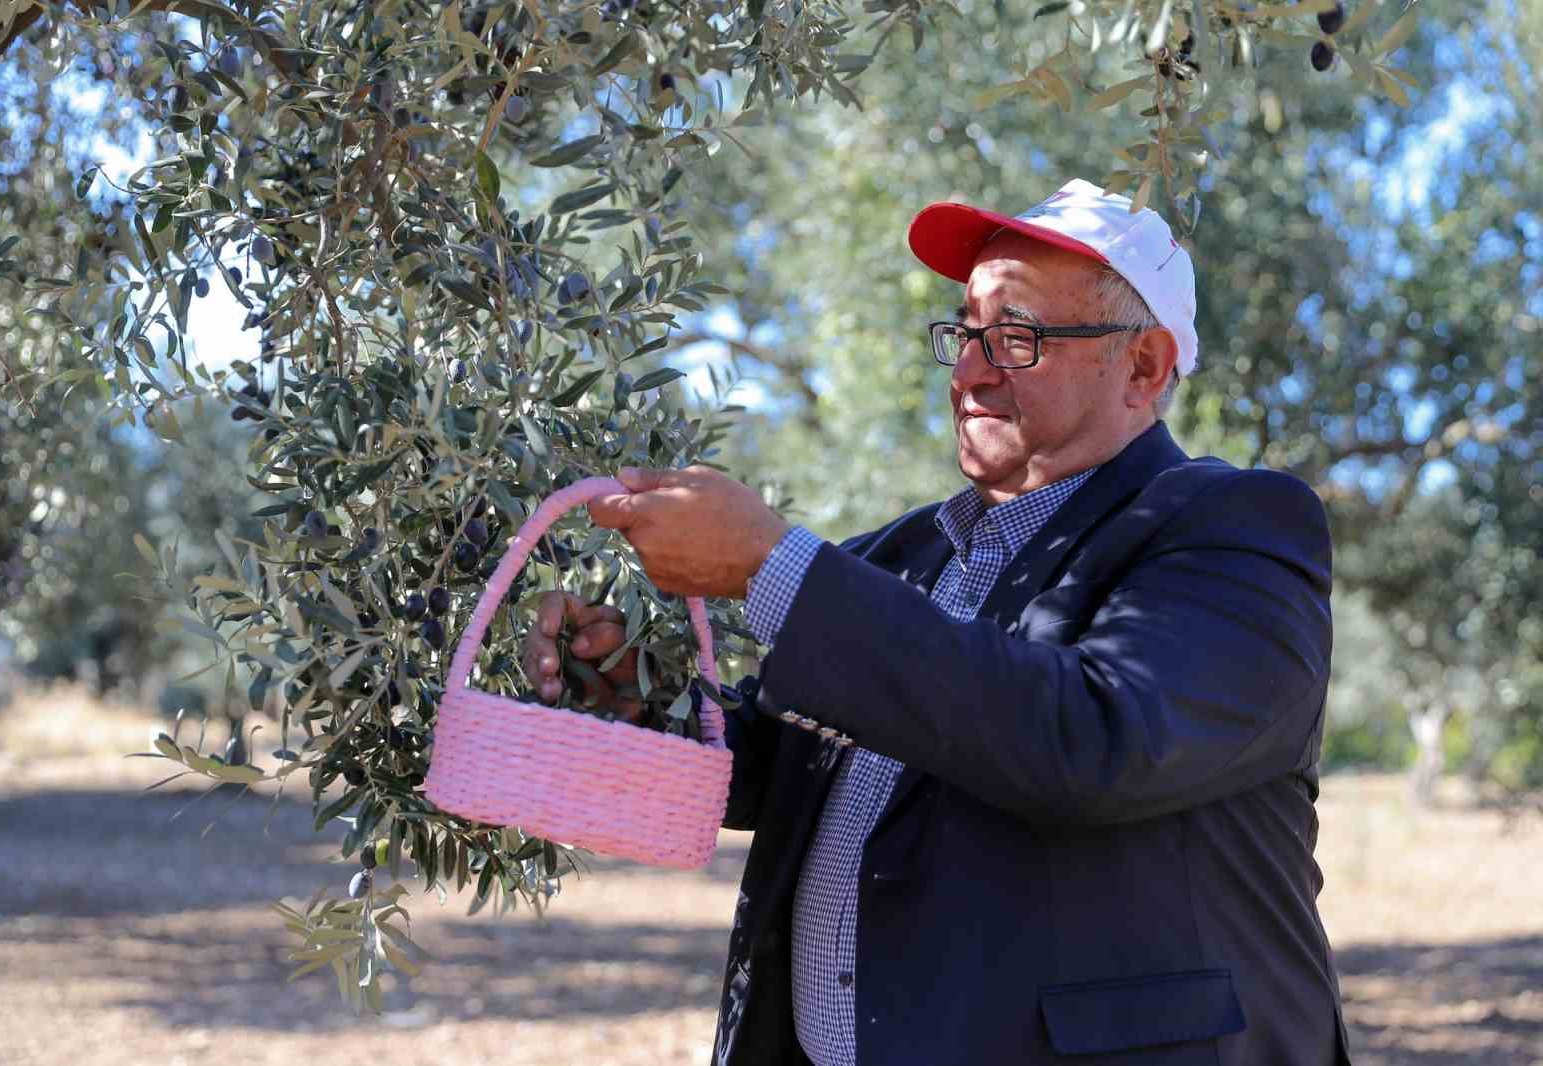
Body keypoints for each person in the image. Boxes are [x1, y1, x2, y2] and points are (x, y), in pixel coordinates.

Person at [522, 178, 1351, 1065]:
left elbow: (1098, 738)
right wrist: (641, 696)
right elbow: (786, 766)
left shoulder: (1236, 529)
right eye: (964, 333)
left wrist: (773, 567)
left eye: (1018, 338)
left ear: (1143, 368)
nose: (968, 371)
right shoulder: (902, 554)